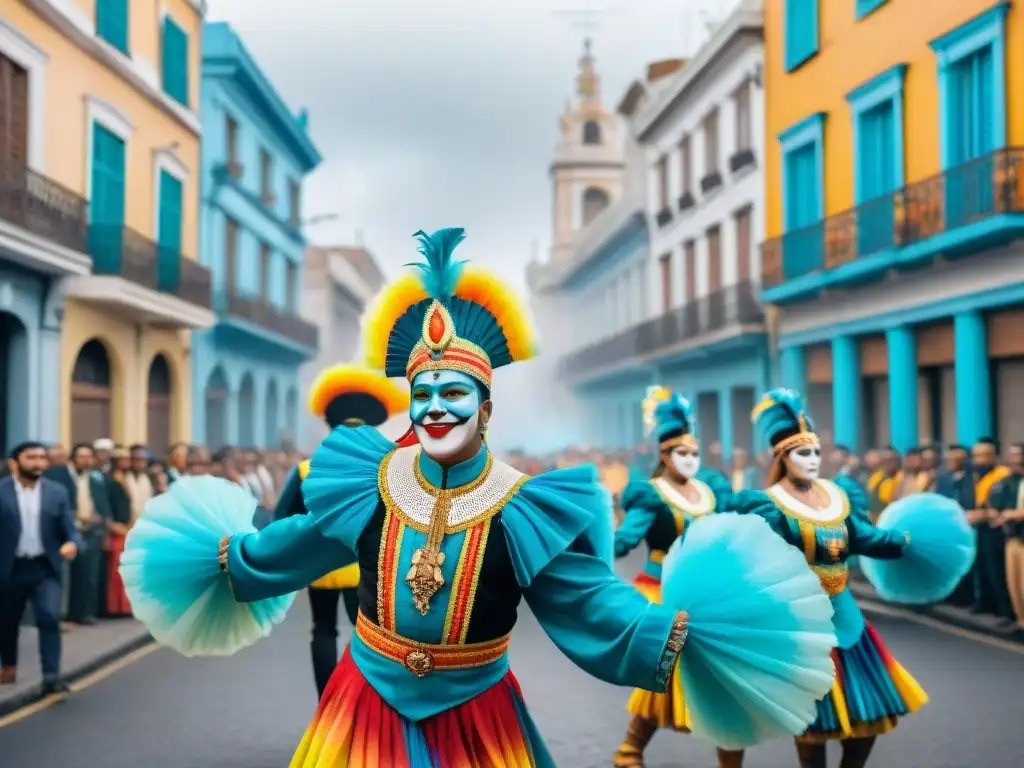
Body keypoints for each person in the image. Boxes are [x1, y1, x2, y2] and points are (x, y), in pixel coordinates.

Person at [119, 229, 842, 766]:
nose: (434, 407)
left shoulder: (525, 506)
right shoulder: (370, 483)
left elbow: (591, 604)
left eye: (454, 392)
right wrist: (232, 560)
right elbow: (298, 544)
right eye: (423, 393)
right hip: (364, 698)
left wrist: (676, 632)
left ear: (486, 407)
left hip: (476, 713)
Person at [733, 390, 949, 768]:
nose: (812, 460)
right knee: (812, 720)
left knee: (869, 717)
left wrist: (910, 539)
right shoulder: (768, 503)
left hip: (847, 620)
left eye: (816, 452)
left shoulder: (838, 496)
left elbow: (866, 538)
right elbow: (751, 558)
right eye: (802, 453)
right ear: (782, 457)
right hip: (800, 623)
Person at [611, 387, 737, 768]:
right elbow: (626, 539)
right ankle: (631, 747)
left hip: (708, 594)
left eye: (695, 453)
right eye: (682, 453)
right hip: (662, 593)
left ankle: (729, 760)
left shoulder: (712, 492)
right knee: (668, 672)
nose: (690, 460)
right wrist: (597, 543)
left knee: (724, 676)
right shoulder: (652, 495)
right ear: (664, 455)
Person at [272, 363, 409, 701]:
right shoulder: (388, 466)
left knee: (323, 629)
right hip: (366, 567)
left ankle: (327, 703)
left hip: (319, 567)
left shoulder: (306, 469)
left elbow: (282, 518)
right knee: (371, 635)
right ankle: (365, 702)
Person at [0, 442, 80, 693]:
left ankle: (51, 675)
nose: (38, 463)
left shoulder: (56, 492)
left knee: (49, 617)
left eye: (42, 458)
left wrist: (72, 543)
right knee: (7, 620)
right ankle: (9, 665)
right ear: (14, 463)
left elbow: (70, 527)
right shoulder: (1, 491)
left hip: (44, 567)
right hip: (10, 568)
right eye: (31, 457)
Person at [65, 444, 113, 626]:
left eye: (88, 456)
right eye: (81, 456)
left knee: (90, 575)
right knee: (73, 575)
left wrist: (104, 527)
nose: (85, 460)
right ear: (74, 459)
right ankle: (71, 613)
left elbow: (104, 505)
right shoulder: (67, 479)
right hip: (73, 530)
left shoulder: (95, 480)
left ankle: (87, 613)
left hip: (93, 531)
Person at [968, 438, 1013, 621]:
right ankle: (986, 603)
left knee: (997, 571)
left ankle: (1006, 611)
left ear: (994, 456)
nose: (980, 460)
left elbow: (999, 506)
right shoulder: (976, 476)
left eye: (985, 455)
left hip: (998, 530)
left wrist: (983, 514)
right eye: (977, 456)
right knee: (982, 567)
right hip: (980, 527)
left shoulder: (1003, 475)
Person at [935, 444, 976, 607]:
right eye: (949, 458)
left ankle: (969, 598)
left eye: (956, 459)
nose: (951, 461)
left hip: (968, 525)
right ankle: (952, 595)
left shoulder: (972, 478)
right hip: (949, 527)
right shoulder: (944, 478)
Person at [992, 443, 1024, 639]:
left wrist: (1012, 514)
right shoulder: (1007, 482)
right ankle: (1021, 622)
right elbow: (997, 505)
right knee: (1013, 584)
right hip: (1011, 537)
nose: (1013, 459)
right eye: (1011, 455)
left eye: (1018, 455)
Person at [105, 447, 134, 616]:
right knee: (116, 572)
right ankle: (115, 607)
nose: (125, 462)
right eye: (121, 459)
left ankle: (126, 606)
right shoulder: (108, 481)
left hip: (129, 528)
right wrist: (112, 525)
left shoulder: (127, 479)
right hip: (116, 530)